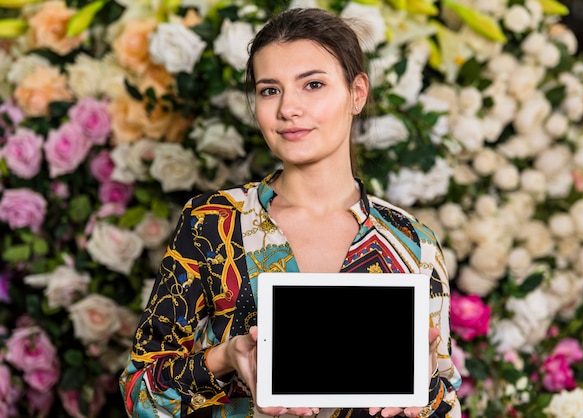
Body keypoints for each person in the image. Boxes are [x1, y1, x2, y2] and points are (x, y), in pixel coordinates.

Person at [119, 7, 461, 418]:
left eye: (312, 84)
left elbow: (446, 399)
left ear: (357, 93)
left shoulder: (412, 242)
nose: (288, 109)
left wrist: (423, 396)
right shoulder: (213, 223)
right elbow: (140, 392)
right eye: (269, 90)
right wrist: (225, 357)